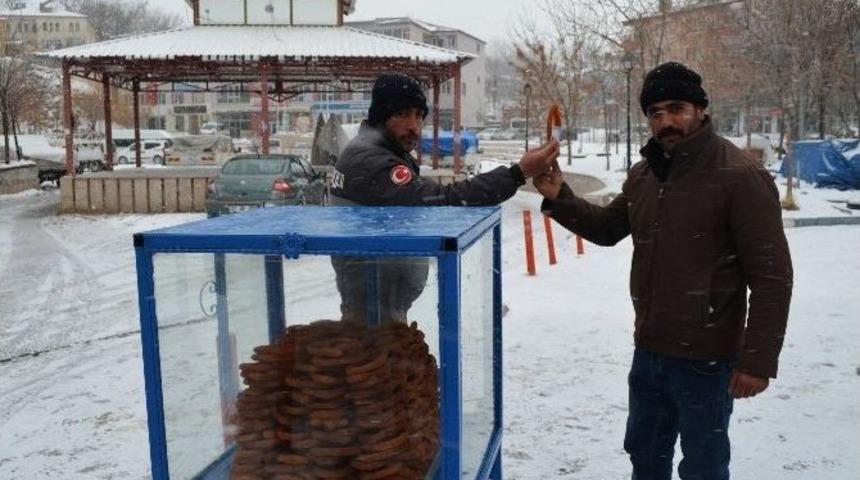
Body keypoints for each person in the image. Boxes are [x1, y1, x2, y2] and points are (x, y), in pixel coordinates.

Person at [533, 62, 793, 479]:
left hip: (706, 361)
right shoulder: (646, 174)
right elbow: (607, 229)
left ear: (701, 110)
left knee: (703, 467)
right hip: (650, 351)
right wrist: (559, 197)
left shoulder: (739, 177)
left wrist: (757, 361)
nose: (666, 121)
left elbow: (772, 276)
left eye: (677, 108)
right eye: (655, 112)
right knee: (646, 458)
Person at [330, 72, 559, 323]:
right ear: (380, 117)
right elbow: (443, 201)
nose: (414, 126)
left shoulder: (376, 150)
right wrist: (518, 173)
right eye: (402, 114)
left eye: (419, 115)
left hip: (381, 303)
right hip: (372, 312)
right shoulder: (373, 162)